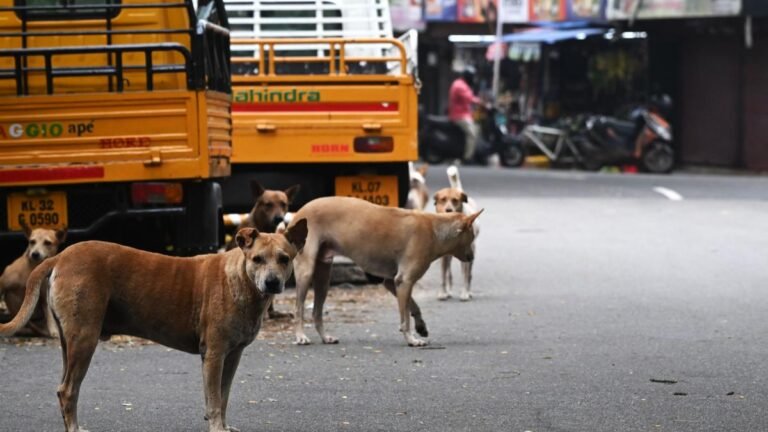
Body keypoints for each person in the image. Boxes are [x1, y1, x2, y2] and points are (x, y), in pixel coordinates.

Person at [449, 66, 481, 162]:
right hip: (459, 116)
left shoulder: (462, 84)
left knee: (476, 129)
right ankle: (468, 157)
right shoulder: (460, 85)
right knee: (472, 134)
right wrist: (481, 102)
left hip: (464, 114)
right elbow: (469, 98)